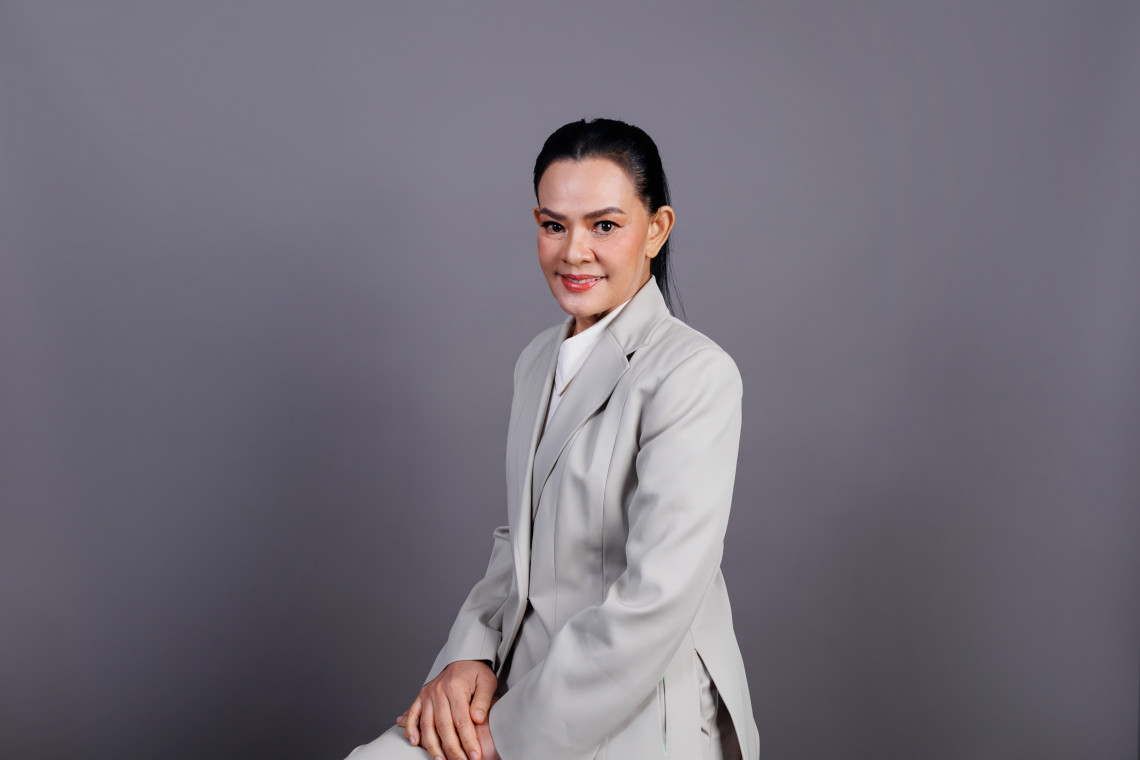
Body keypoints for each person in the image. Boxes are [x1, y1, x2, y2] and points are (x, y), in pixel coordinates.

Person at [347, 118, 759, 760]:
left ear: (656, 229)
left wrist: (505, 735)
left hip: (636, 712)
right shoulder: (538, 359)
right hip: (520, 673)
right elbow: (521, 540)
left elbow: (658, 600)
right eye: (554, 225)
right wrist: (467, 657)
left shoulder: (694, 373)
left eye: (604, 225)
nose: (574, 252)